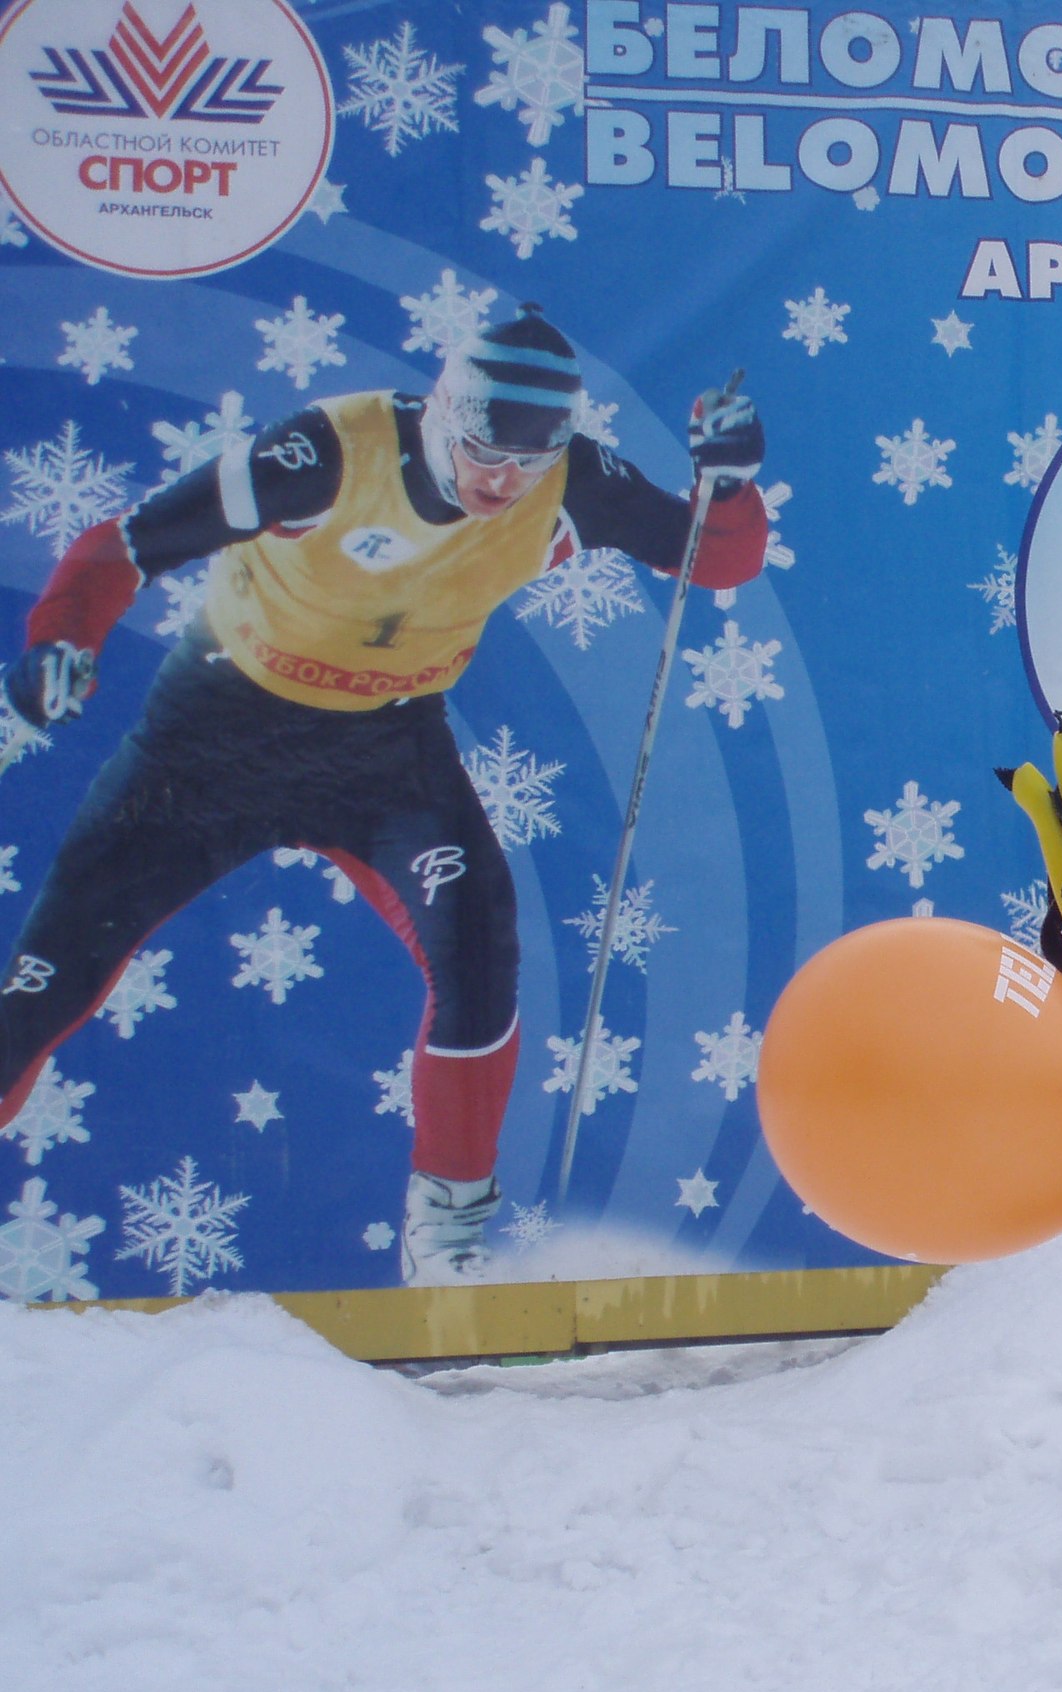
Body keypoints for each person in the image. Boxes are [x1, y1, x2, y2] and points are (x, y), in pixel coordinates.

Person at [0, 305, 767, 1282]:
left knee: (481, 950)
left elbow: (717, 557)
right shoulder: (324, 452)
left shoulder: (571, 479)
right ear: (442, 412)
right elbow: (128, 544)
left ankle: (445, 1238)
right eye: (484, 451)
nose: (503, 482)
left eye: (528, 461)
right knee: (48, 979)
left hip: (384, 753)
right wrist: (61, 640)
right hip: (209, 741)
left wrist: (730, 483)